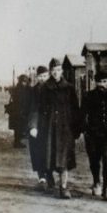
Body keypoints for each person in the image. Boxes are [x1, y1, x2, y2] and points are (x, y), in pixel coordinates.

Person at [29, 62, 81, 199]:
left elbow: (75, 110)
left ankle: (63, 188)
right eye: (53, 70)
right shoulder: (44, 89)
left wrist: (77, 129)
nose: (56, 72)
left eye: (58, 70)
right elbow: (36, 108)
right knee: (49, 157)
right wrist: (33, 126)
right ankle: (49, 178)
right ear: (51, 71)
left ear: (62, 70)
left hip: (65, 130)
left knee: (63, 160)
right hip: (49, 130)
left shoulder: (69, 88)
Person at [81, 70, 107, 201]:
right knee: (94, 160)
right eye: (99, 82)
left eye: (104, 82)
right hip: (93, 134)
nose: (102, 85)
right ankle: (96, 182)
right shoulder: (88, 96)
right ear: (95, 82)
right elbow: (82, 114)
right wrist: (85, 130)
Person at [28, 66, 51, 187]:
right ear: (37, 77)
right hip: (37, 124)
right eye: (40, 76)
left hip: (51, 124)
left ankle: (49, 175)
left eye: (45, 76)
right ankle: (41, 176)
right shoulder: (33, 91)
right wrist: (32, 126)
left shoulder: (53, 89)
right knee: (37, 150)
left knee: (49, 150)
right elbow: (32, 109)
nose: (43, 79)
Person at [7, 75, 31, 148]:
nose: (25, 83)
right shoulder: (21, 89)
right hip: (19, 112)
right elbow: (22, 101)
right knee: (18, 128)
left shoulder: (17, 88)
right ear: (21, 81)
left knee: (18, 128)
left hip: (16, 112)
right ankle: (17, 143)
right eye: (24, 81)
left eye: (25, 82)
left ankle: (17, 142)